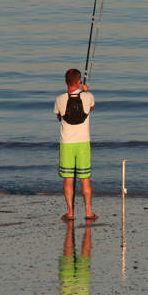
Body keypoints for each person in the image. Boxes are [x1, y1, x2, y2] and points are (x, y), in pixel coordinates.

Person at [54, 68, 96, 222]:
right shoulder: (88, 96)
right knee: (85, 179)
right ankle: (89, 212)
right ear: (79, 82)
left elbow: (59, 117)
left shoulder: (59, 99)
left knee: (68, 179)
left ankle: (70, 212)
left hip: (67, 143)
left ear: (66, 82)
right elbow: (91, 108)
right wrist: (85, 90)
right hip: (83, 143)